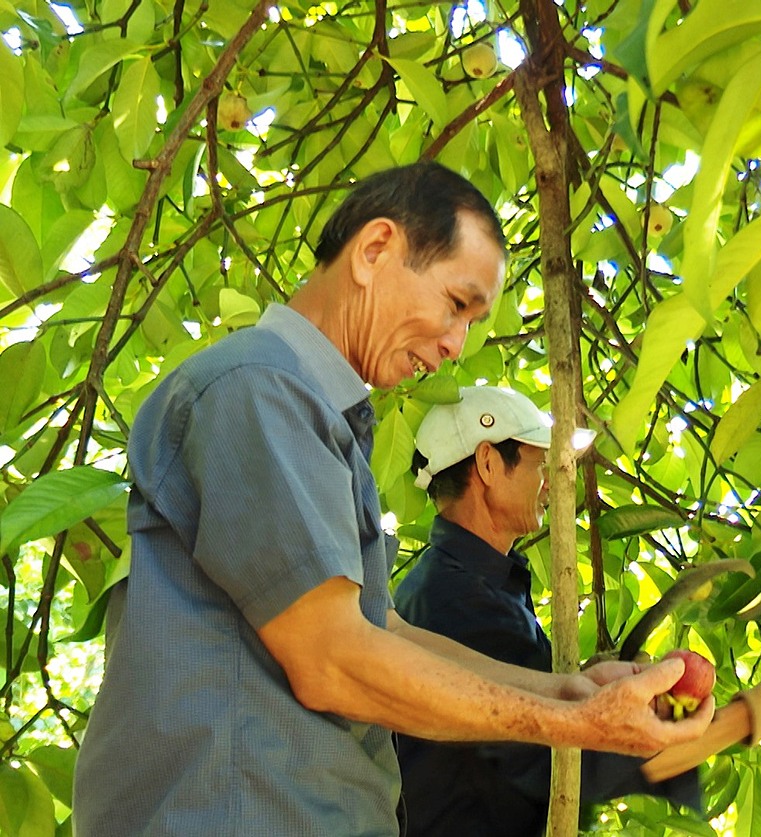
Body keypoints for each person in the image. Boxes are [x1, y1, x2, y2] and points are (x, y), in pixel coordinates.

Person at [72, 163, 714, 837]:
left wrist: (568, 689)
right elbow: (332, 658)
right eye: (456, 304)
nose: (456, 344)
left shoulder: (320, 419)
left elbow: (379, 630)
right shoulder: (255, 387)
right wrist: (576, 724)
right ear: (375, 249)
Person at [393, 385, 761, 836]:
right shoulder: (457, 599)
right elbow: (587, 754)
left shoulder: (479, 583)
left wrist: (590, 684)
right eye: (538, 464)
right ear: (489, 464)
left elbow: (531, 720)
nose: (549, 482)